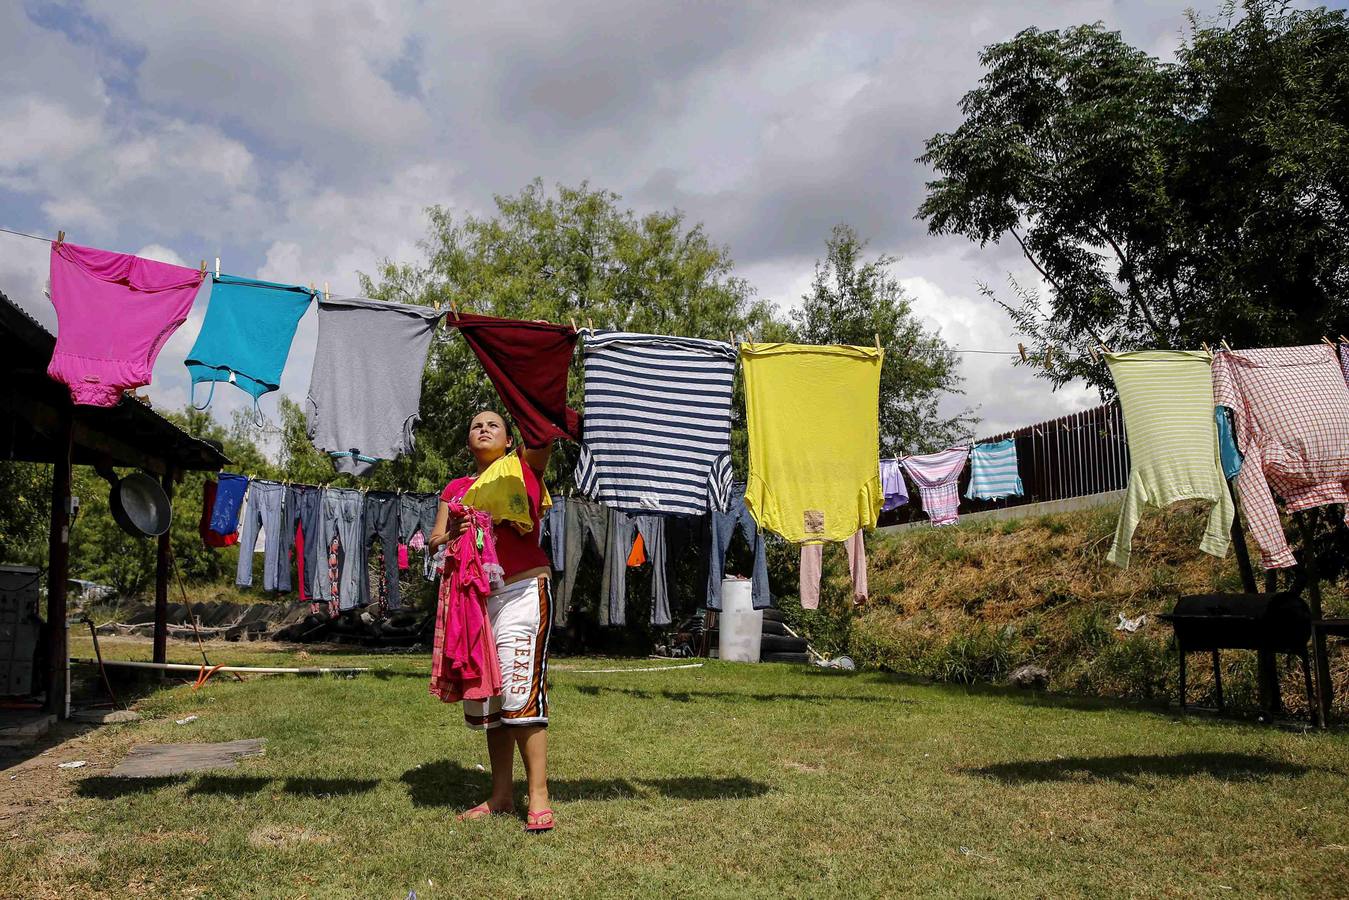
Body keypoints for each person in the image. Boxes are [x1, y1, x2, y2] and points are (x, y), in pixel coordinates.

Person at [429, 410, 556, 832]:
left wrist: (530, 391)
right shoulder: (457, 489)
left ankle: (538, 795)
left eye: (493, 425)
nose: (483, 429)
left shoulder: (522, 466)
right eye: (475, 426)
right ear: (468, 441)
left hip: (522, 593)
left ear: (507, 439)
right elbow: (434, 541)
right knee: (492, 699)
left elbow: (542, 436)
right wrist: (456, 531)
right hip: (475, 600)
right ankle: (501, 795)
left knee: (520, 695)